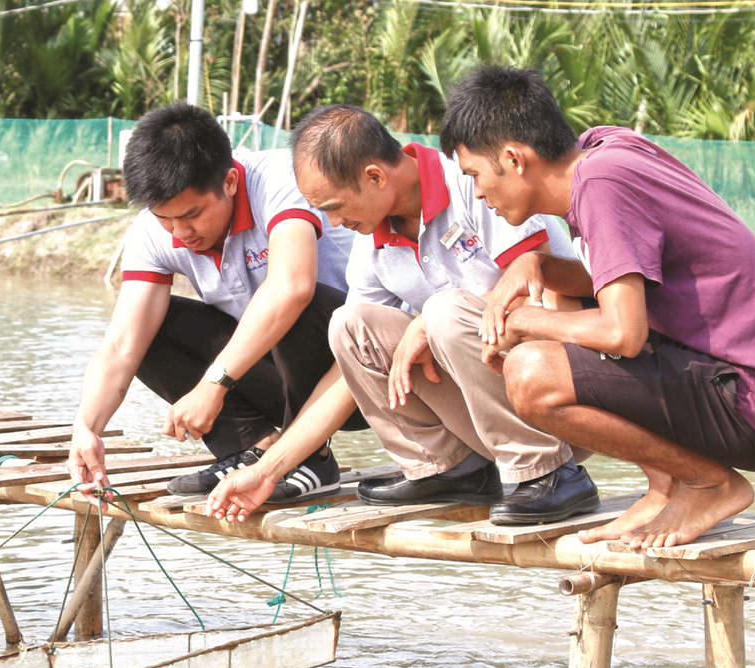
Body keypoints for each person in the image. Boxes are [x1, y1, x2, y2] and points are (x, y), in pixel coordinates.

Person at [439, 66, 755, 549]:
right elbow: (627, 281)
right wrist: (540, 265)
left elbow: (623, 332)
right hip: (747, 385)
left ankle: (709, 483)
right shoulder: (603, 152)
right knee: (539, 355)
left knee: (532, 373)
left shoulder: (600, 184)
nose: (479, 193)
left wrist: (526, 322)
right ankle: (667, 485)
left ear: (513, 158)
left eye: (475, 175)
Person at [209, 103, 599, 525]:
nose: (335, 222)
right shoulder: (374, 239)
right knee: (350, 326)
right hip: (491, 404)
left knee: (443, 311)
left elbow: (543, 296)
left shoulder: (476, 184)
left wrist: (427, 322)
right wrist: (267, 469)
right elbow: (345, 375)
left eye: (337, 206)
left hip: (561, 402)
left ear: (375, 176)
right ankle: (448, 467)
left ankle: (551, 472)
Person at [67, 101, 358, 504]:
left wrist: (212, 385)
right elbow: (121, 345)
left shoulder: (279, 178)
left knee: (292, 299)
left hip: (360, 375)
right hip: (278, 375)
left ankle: (311, 457)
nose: (179, 233)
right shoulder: (155, 231)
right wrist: (86, 427)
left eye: (192, 215)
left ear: (231, 182)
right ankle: (253, 447)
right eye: (164, 219)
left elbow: (292, 287)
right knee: (152, 325)